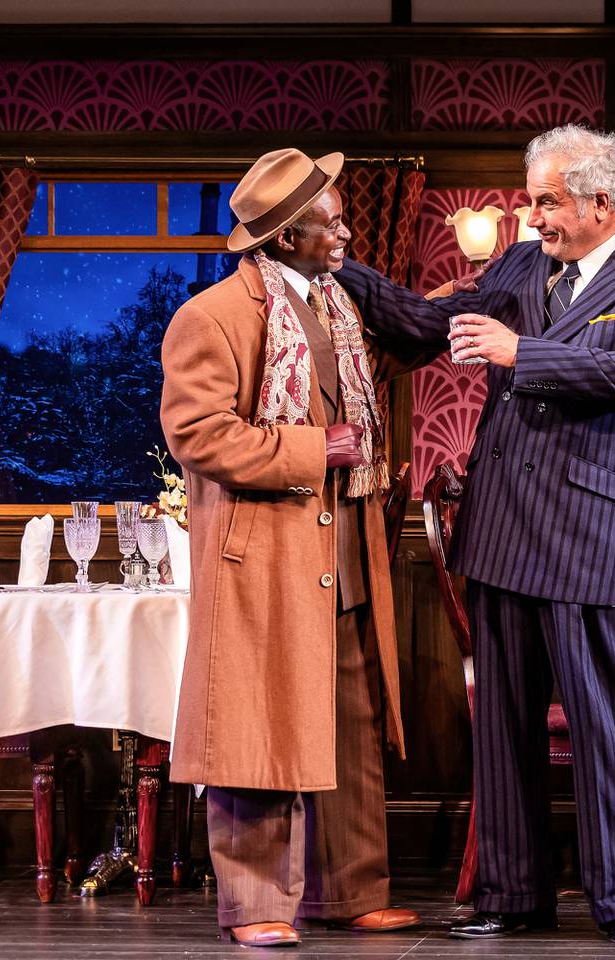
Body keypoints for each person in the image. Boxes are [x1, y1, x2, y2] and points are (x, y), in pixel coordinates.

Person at [336, 124, 615, 947]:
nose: (530, 214)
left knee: (610, 729)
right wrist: (339, 269)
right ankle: (511, 896)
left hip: (597, 540)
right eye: (532, 197)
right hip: (503, 533)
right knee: (503, 730)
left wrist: (520, 352)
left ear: (600, 201)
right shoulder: (518, 266)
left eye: (546, 200)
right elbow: (434, 326)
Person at [160, 148, 420, 948]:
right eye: (329, 221)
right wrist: (314, 450)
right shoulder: (213, 316)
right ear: (282, 237)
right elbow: (197, 434)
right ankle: (258, 905)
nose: (344, 231)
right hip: (262, 559)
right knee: (257, 731)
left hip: (344, 554)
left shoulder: (338, 305)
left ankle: (350, 890)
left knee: (351, 724)